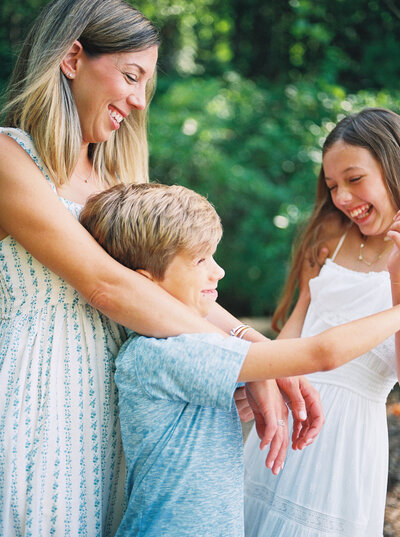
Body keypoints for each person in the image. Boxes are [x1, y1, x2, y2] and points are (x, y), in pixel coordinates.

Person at [0, 0, 324, 534]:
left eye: (145, 85)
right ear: (72, 57)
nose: (138, 100)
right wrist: (242, 361)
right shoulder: (11, 158)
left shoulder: (113, 184)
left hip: (113, 402)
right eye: (131, 76)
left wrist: (255, 347)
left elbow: (169, 290)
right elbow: (109, 286)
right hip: (40, 396)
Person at [79, 181, 400, 537]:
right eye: (200, 260)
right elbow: (322, 353)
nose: (218, 271)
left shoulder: (176, 348)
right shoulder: (167, 352)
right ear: (146, 281)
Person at [244, 107, 400, 537]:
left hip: (350, 439)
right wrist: (266, 378)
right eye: (333, 186)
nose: (343, 199)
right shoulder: (331, 235)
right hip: (288, 413)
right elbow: (298, 324)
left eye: (354, 179)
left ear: (392, 166)